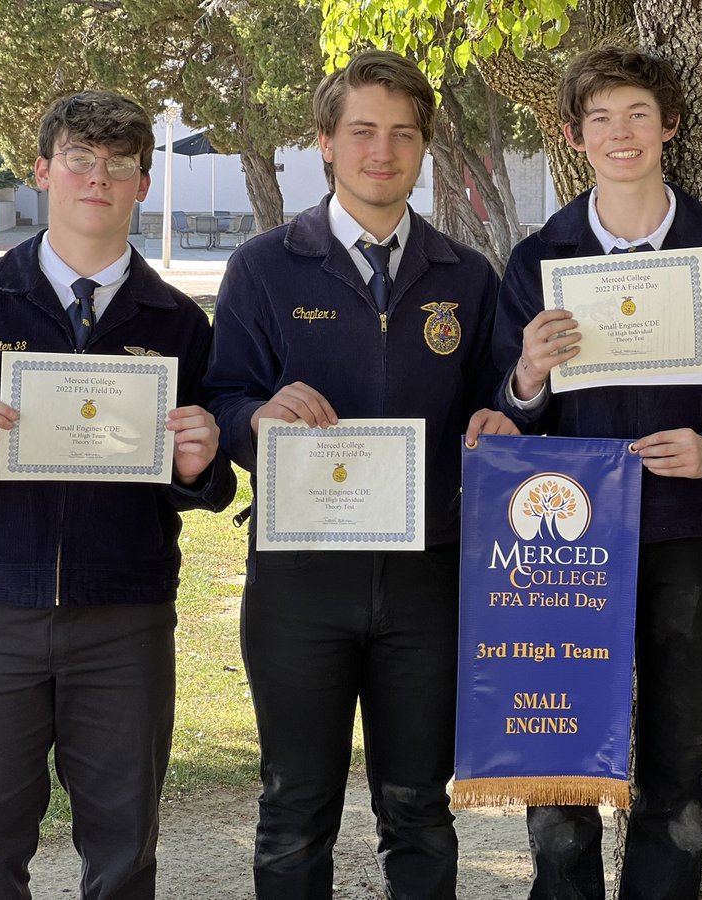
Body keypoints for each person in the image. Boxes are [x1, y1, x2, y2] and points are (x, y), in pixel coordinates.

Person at [203, 50, 516, 899]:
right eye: (364, 131)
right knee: (295, 804)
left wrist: (508, 412)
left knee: (417, 807)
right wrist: (256, 417)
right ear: (326, 143)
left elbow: (501, 398)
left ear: (423, 149)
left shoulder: (465, 275)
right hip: (301, 579)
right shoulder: (265, 266)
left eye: (404, 134)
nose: (384, 151)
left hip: (430, 577)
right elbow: (226, 393)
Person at [0, 91, 236, 899]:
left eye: (120, 166)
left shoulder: (179, 323)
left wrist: (199, 466)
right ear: (43, 171)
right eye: (82, 161)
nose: (99, 179)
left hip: (124, 621)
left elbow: (214, 473)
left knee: (125, 856)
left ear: (142, 186)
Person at [492, 48, 702, 900]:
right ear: (576, 136)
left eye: (638, 116)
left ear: (670, 128)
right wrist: (528, 378)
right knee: (562, 763)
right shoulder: (537, 260)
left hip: (684, 532)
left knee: (677, 760)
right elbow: (501, 416)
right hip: (561, 542)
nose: (621, 135)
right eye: (602, 119)